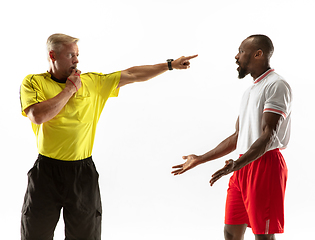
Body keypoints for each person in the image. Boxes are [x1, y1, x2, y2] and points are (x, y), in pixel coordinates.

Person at [20, 33, 197, 240]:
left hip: (82, 173)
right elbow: (38, 116)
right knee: (35, 234)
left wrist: (169, 65)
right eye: (70, 55)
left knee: (85, 235)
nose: (76, 60)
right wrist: (69, 90)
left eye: (77, 55)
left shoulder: (92, 82)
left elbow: (132, 74)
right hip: (46, 172)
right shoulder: (33, 82)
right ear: (53, 55)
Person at [172, 34, 292, 240]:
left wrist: (237, 164)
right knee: (230, 231)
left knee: (262, 235)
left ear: (258, 54)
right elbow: (238, 136)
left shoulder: (276, 85)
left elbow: (268, 136)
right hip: (243, 164)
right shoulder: (250, 91)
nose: (236, 57)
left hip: (265, 164)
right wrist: (201, 158)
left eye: (241, 51)